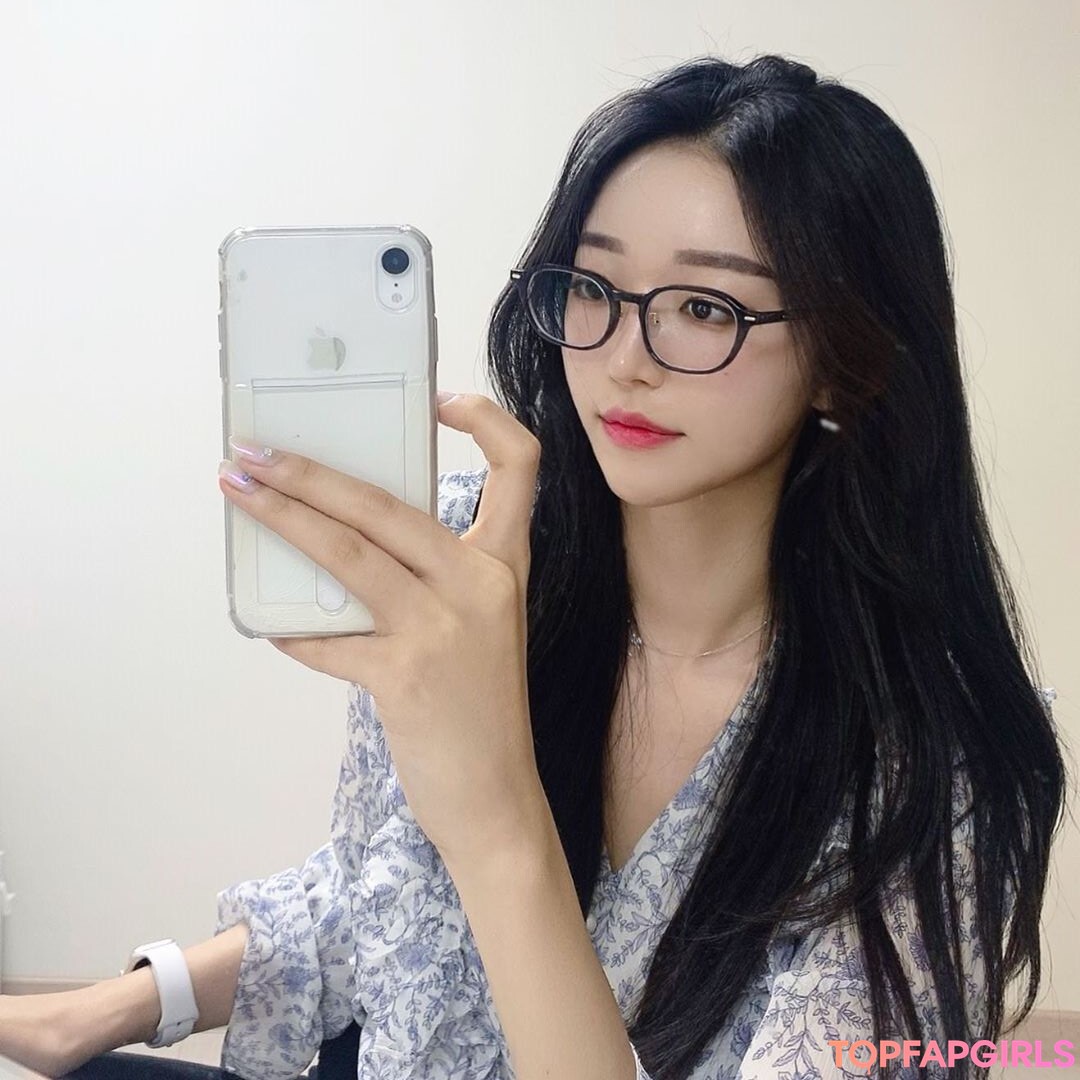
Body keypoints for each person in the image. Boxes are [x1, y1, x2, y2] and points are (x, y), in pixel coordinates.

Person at [0, 53, 1065, 1080]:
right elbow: (383, 896)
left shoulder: (931, 761)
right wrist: (115, 1004)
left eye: (706, 308)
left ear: (845, 361)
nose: (624, 358)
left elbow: (468, 846)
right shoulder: (476, 561)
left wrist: (497, 817)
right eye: (594, 286)